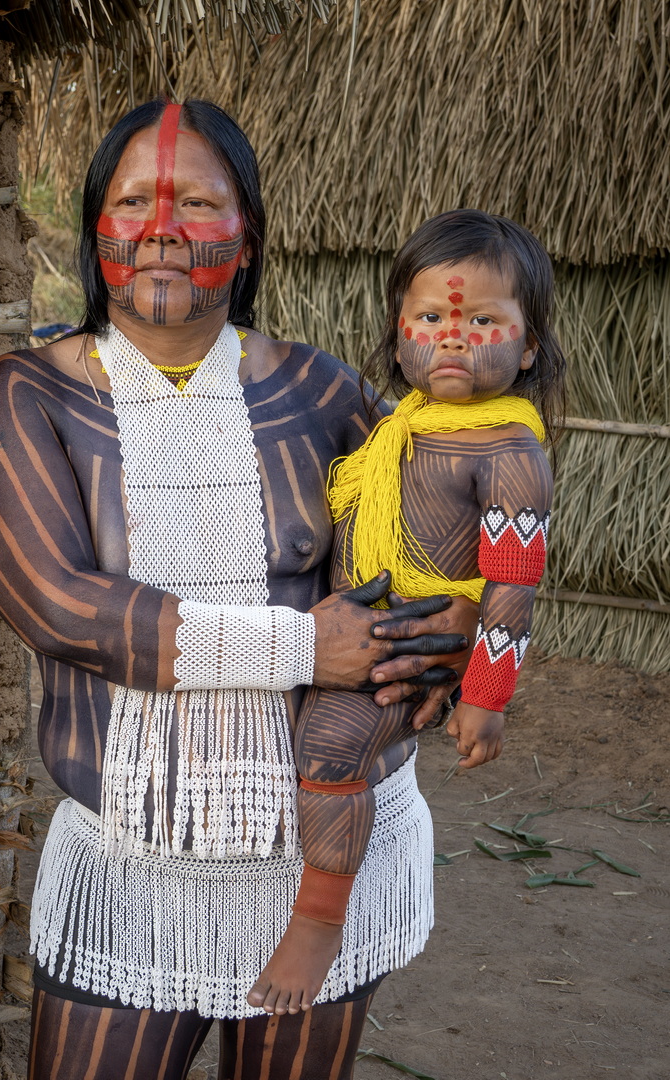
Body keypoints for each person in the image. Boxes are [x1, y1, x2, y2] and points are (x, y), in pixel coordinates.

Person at [0, 100, 477, 1080]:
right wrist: (298, 648)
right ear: (95, 231)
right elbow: (57, 603)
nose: (162, 227)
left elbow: (419, 584)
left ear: (245, 243)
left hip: (318, 858)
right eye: (134, 201)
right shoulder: (30, 398)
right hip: (138, 865)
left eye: (198, 202)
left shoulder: (326, 396)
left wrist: (444, 647)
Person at [248, 210, 566, 1017]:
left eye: (483, 321)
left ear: (528, 346)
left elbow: (511, 591)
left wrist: (487, 700)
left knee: (326, 746)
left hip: (400, 654)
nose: (452, 339)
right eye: (430, 319)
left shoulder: (511, 455)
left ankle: (318, 922)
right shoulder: (394, 428)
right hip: (343, 637)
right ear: (398, 337)